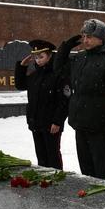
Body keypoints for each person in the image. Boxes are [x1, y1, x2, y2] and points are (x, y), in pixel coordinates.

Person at [55, 19, 105, 180]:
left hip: (100, 128)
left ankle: (103, 203)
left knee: (101, 172)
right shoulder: (80, 58)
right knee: (86, 170)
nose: (85, 40)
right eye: (84, 36)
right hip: (80, 123)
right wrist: (65, 47)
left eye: (90, 37)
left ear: (101, 38)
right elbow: (59, 71)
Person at [14, 39, 69, 169]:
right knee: (41, 156)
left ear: (50, 56)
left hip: (51, 124)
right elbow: (20, 85)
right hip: (36, 122)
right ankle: (44, 182)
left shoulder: (58, 75)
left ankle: (56, 181)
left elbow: (64, 100)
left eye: (41, 57)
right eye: (36, 57)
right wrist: (22, 67)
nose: (38, 60)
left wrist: (57, 121)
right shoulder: (35, 75)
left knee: (53, 155)